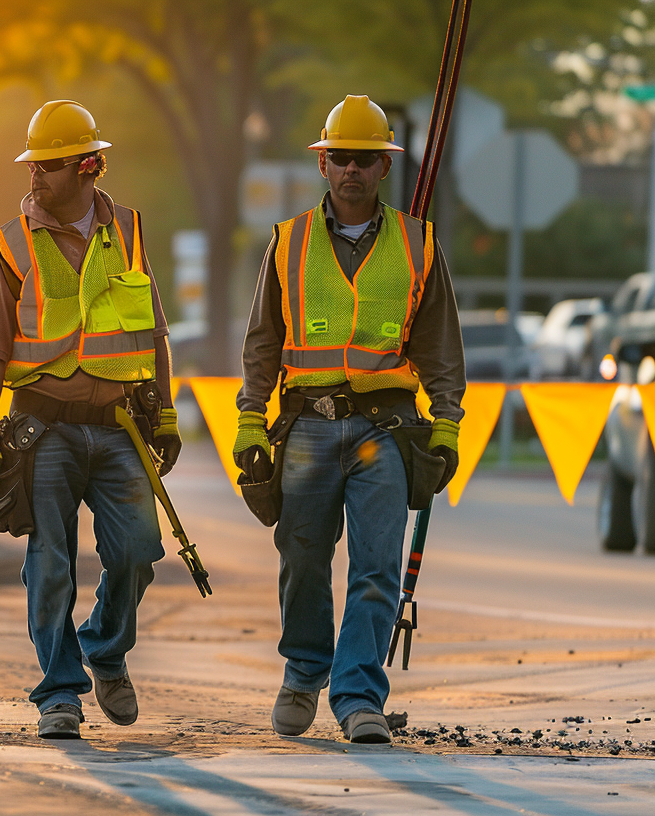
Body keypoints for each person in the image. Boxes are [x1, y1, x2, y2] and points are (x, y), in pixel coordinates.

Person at [235, 95, 466, 743]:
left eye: (366, 159)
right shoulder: (287, 242)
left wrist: (446, 425)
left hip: (386, 429)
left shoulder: (418, 244)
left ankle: (359, 695)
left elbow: (442, 347)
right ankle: (305, 668)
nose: (352, 170)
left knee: (376, 567)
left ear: (385, 167)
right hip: (306, 425)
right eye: (341, 158)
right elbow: (261, 344)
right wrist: (250, 421)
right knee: (301, 556)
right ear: (322, 163)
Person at [0, 100, 180, 739]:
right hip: (44, 429)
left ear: (89, 166)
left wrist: (165, 415)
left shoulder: (131, 234)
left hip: (120, 428)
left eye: (51, 166)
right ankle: (60, 691)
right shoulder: (10, 245)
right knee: (51, 561)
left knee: (138, 552)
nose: (35, 177)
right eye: (33, 165)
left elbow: (156, 334)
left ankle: (105, 649)